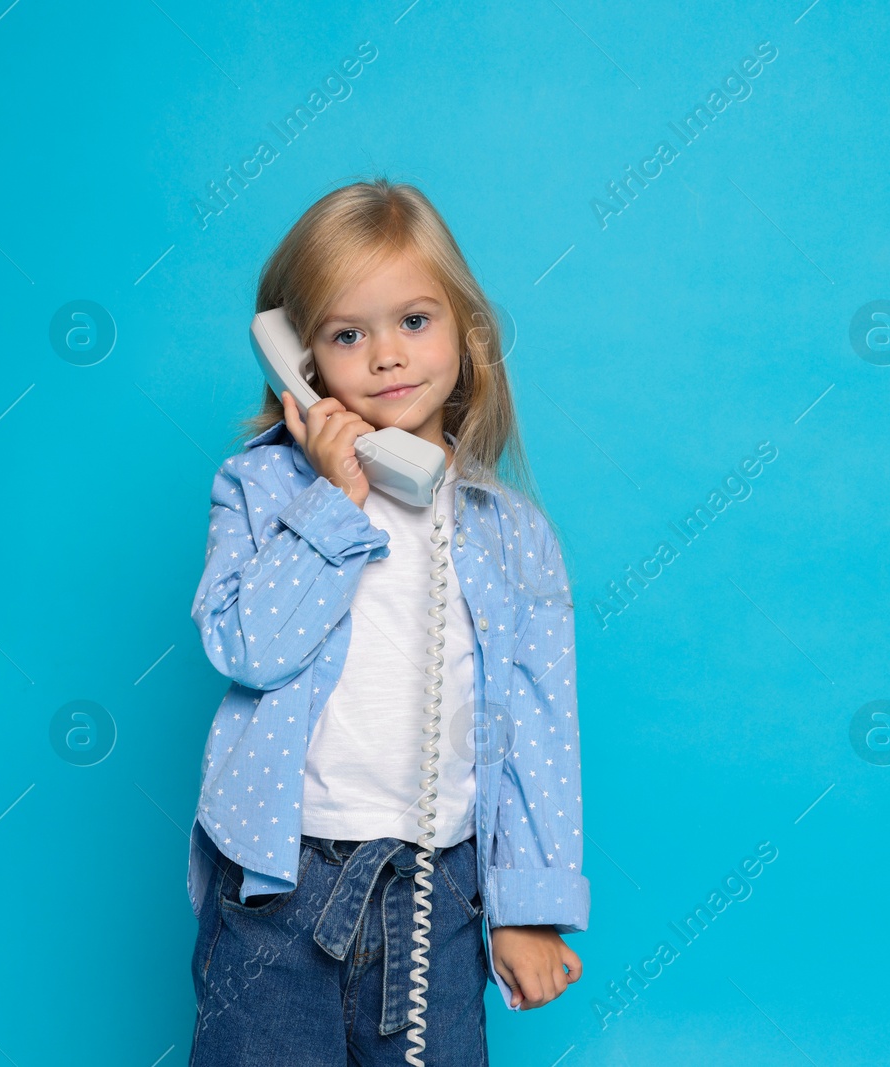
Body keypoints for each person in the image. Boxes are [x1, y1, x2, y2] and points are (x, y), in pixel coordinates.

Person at [184, 177, 588, 1066]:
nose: (386, 357)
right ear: (296, 356)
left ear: (465, 330)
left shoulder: (511, 534)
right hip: (278, 886)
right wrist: (332, 503)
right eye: (345, 333)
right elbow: (246, 646)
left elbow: (541, 735)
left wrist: (530, 905)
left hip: (438, 889)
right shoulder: (261, 492)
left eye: (414, 320)